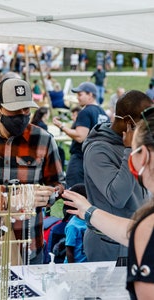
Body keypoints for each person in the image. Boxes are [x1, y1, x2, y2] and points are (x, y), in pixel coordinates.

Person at [62, 105, 154, 299]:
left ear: (143, 156)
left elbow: (136, 232)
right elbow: (134, 230)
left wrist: (89, 211)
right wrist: (89, 211)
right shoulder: (98, 149)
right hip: (107, 244)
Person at [0, 77, 65, 264]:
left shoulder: (43, 139)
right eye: (15, 109)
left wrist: (47, 196)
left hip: (29, 241)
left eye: (26, 109)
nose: (22, 114)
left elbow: (58, 183)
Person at [82, 90, 153, 262]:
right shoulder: (98, 150)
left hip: (134, 237)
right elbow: (117, 197)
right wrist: (129, 151)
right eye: (145, 124)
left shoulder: (137, 144)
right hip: (109, 245)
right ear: (129, 123)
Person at [53, 81, 109, 188]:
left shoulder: (85, 112)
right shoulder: (103, 113)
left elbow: (80, 137)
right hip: (96, 160)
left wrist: (61, 126)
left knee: (74, 192)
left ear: (90, 95)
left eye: (80, 94)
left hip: (80, 158)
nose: (77, 98)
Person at [63, 183, 87, 263]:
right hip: (75, 266)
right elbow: (69, 251)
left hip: (87, 265)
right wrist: (72, 269)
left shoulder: (91, 220)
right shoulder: (73, 226)